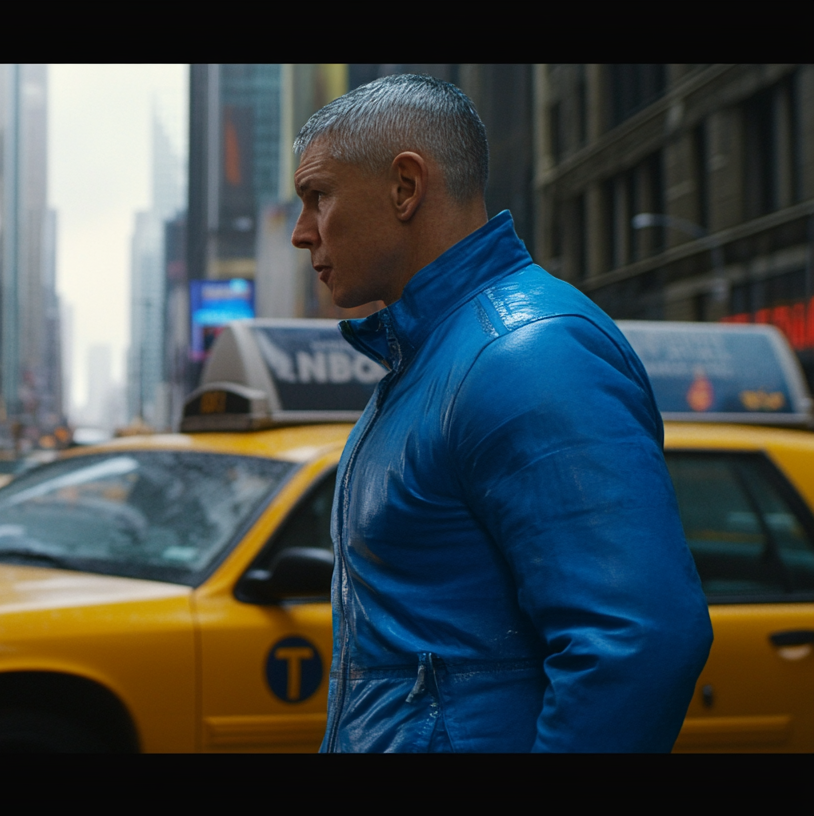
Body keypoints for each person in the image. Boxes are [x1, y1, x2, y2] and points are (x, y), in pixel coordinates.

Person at [291, 74, 713, 752]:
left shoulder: (526, 356)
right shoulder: (432, 360)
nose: (300, 233)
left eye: (317, 197)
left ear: (405, 187)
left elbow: (639, 643)